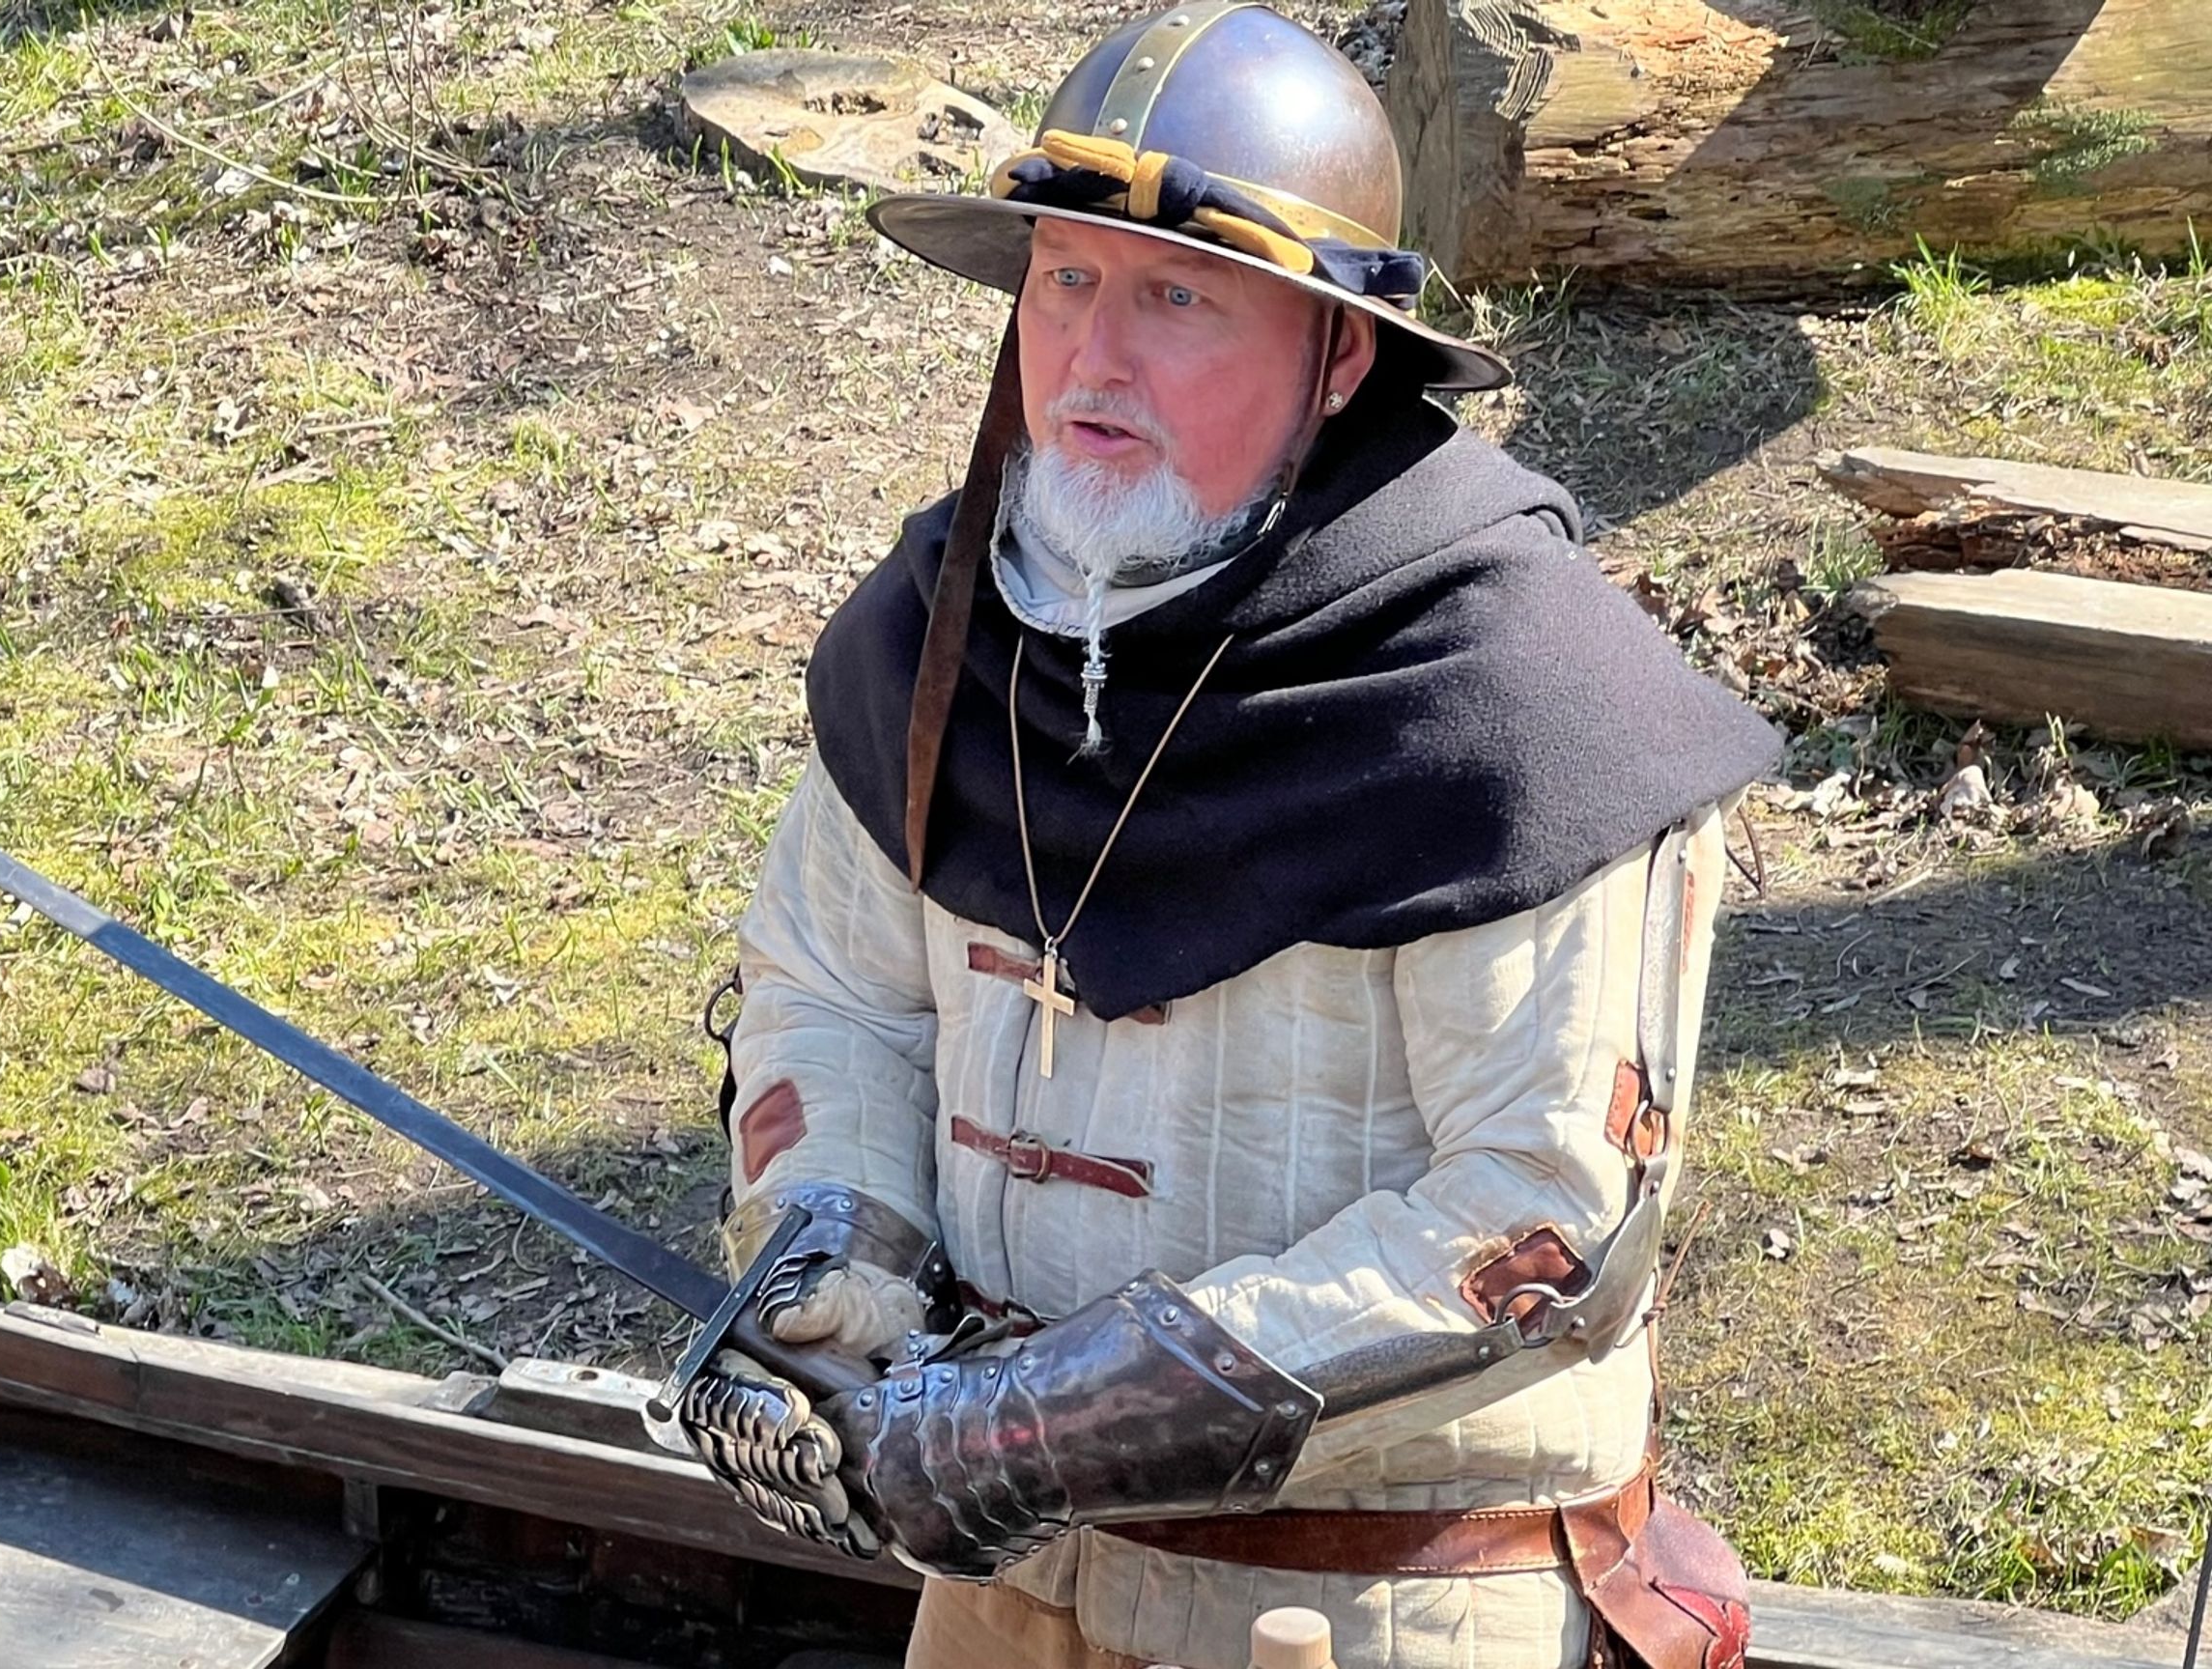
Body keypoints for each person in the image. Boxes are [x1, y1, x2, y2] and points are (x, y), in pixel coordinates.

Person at [669, 8, 1784, 1668]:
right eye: (1065, 279)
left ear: (1339, 355)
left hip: (1384, 1600)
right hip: (1000, 1595)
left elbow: (1543, 1219)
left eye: (1177, 297)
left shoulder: (1519, 702)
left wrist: (1042, 1424)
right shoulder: (941, 638)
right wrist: (844, 1256)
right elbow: (832, 993)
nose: (1093, 358)